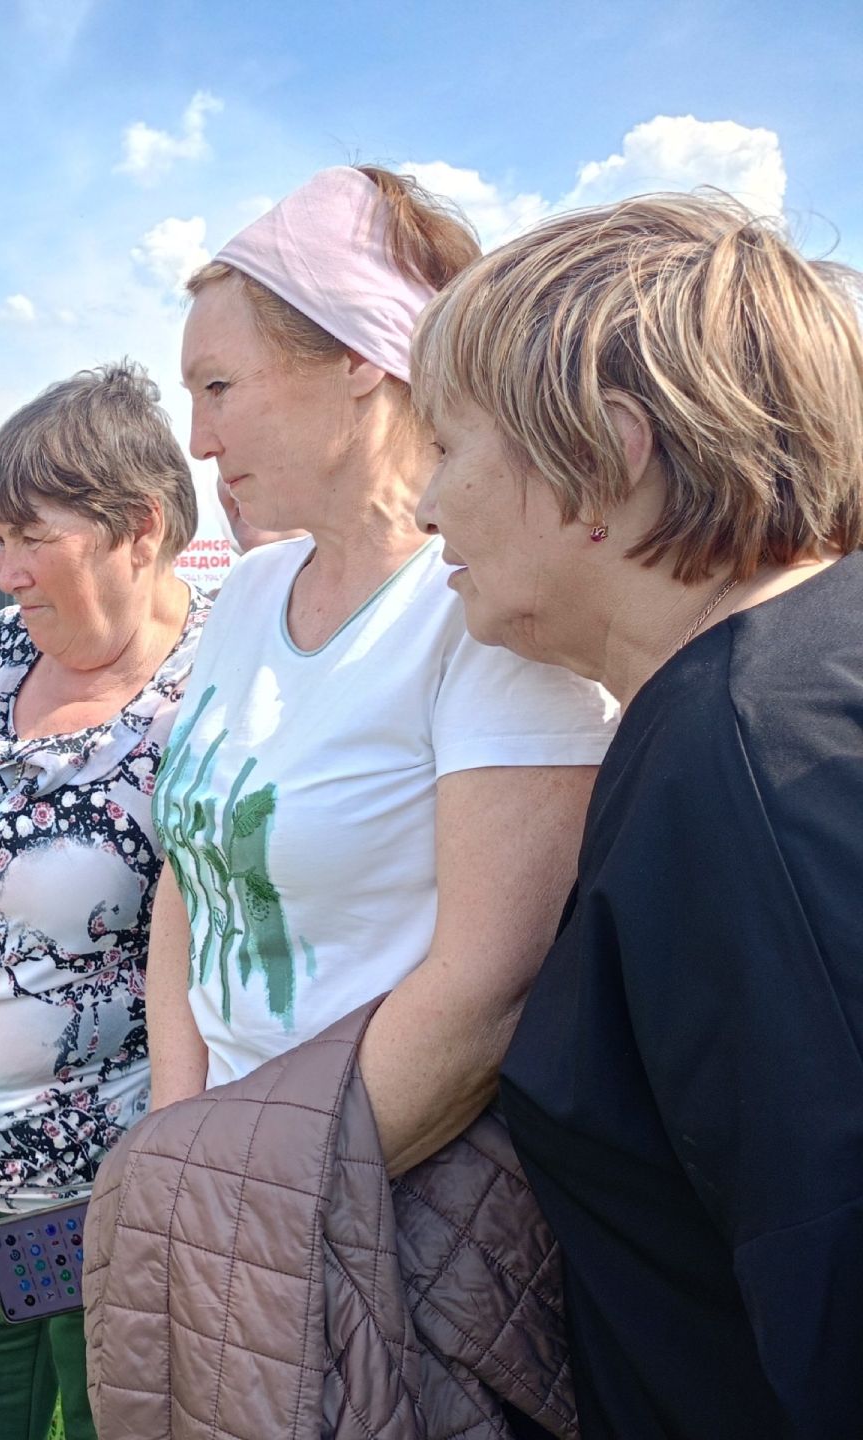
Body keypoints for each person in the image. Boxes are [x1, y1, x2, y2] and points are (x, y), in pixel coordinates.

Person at [410, 192, 863, 1437]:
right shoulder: (799, 672)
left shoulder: (741, 757)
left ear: (605, 457)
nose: (426, 504)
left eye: (449, 446)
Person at [145, 165, 618, 1179]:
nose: (197, 439)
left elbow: (484, 993)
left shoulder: (482, 610)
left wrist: (249, 1194)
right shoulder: (251, 592)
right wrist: (175, 1139)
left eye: (218, 386)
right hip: (211, 1170)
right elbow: (189, 878)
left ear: (358, 359)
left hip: (372, 1197)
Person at [0, 362, 210, 1440]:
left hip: (107, 1187)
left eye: (33, 539)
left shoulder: (210, 690)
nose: (4, 570)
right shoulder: (4, 651)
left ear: (140, 530)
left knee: (115, 1416)